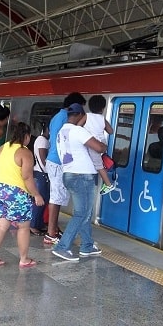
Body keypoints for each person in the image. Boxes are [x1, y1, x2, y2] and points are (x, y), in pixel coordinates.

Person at [51, 103, 107, 261]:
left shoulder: (61, 132)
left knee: (84, 212)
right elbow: (99, 148)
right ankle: (62, 247)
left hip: (69, 174)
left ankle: (87, 245)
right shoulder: (78, 131)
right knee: (82, 213)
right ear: (81, 115)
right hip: (83, 176)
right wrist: (103, 143)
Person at [0, 122, 45, 268]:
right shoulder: (25, 152)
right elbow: (27, 177)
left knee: (0, 226)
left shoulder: (2, 148)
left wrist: (3, 183)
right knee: (23, 227)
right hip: (16, 193)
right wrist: (36, 194)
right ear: (27, 136)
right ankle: (24, 259)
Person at [44, 92, 85, 245]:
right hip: (58, 161)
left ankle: (53, 229)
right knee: (56, 197)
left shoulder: (58, 117)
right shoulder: (64, 119)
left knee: (58, 197)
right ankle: (50, 233)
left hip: (56, 161)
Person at [86, 94, 115, 194]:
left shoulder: (87, 116)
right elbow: (111, 131)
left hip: (94, 144)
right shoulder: (102, 118)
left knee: (98, 165)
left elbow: (77, 126)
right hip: (102, 142)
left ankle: (108, 184)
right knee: (98, 162)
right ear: (103, 108)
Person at [30, 125, 50, 235]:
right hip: (42, 174)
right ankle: (33, 226)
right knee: (40, 200)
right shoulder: (43, 140)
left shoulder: (40, 139)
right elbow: (43, 160)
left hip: (40, 173)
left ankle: (39, 223)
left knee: (44, 200)